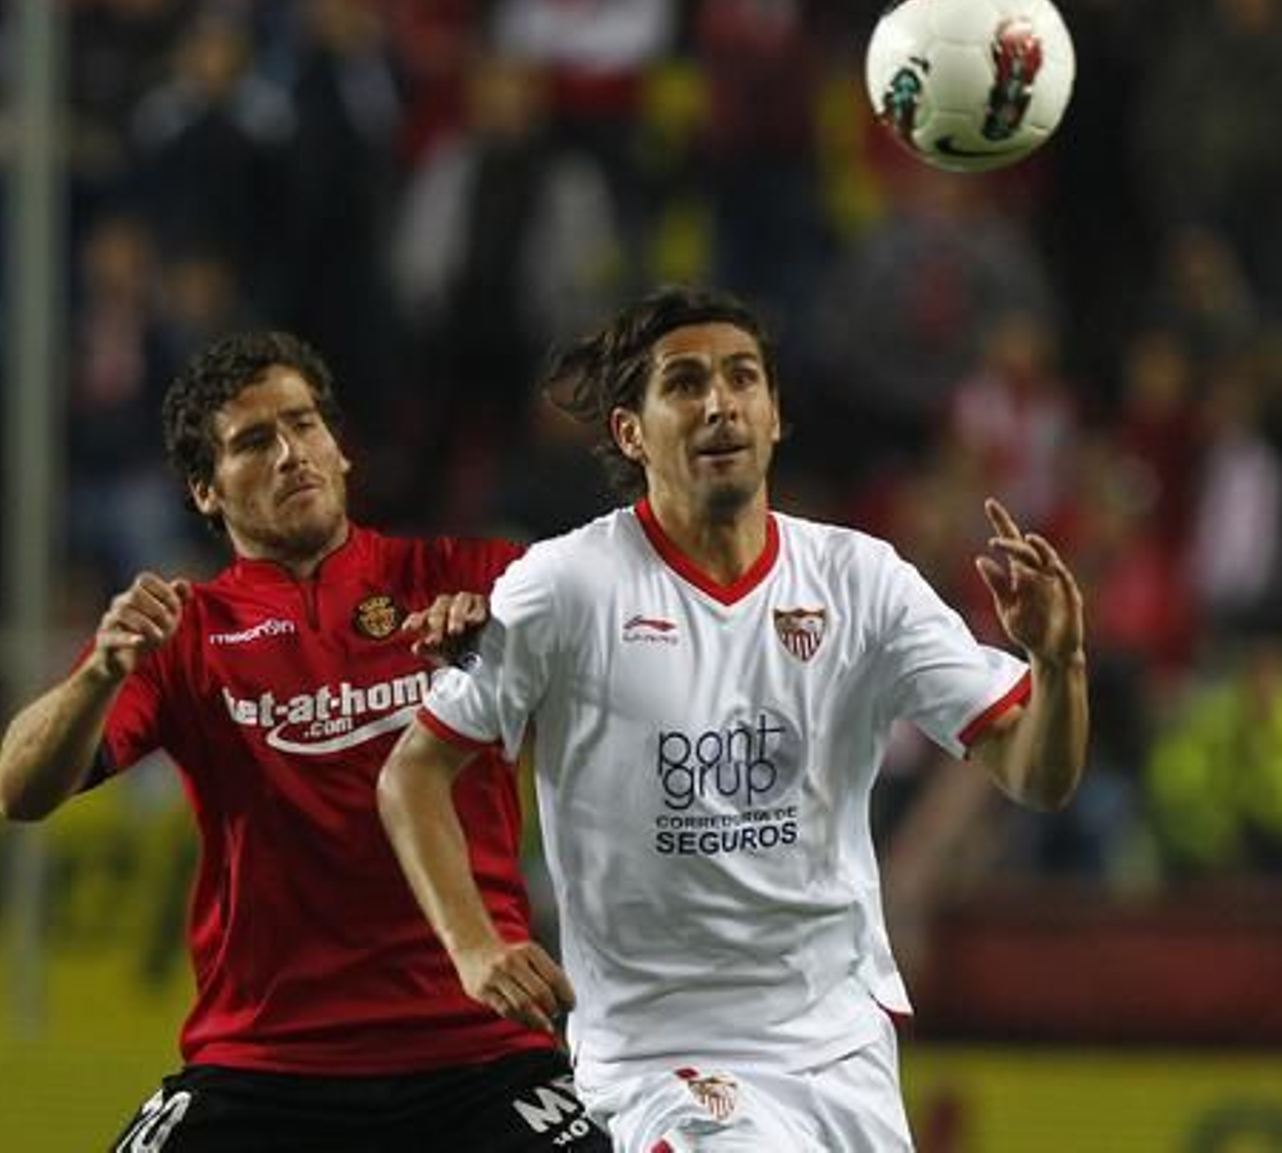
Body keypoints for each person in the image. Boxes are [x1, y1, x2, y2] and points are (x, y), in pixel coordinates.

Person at [377, 285, 1090, 1150]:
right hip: (656, 1055)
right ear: (631, 431)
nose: (719, 402)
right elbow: (412, 773)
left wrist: (1059, 664)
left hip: (840, 1047)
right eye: (684, 383)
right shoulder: (564, 586)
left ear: (776, 414)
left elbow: (1037, 774)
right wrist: (474, 946)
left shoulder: (861, 581)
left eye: (742, 378)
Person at [0, 330, 608, 1152]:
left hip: (481, 1048)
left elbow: (636, 688)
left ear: (341, 450)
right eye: (254, 441)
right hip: (262, 1063)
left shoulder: (475, 579)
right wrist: (99, 672)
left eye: (306, 424)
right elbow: (18, 791)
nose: (292, 453)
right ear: (205, 490)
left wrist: (506, 650)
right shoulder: (185, 633)